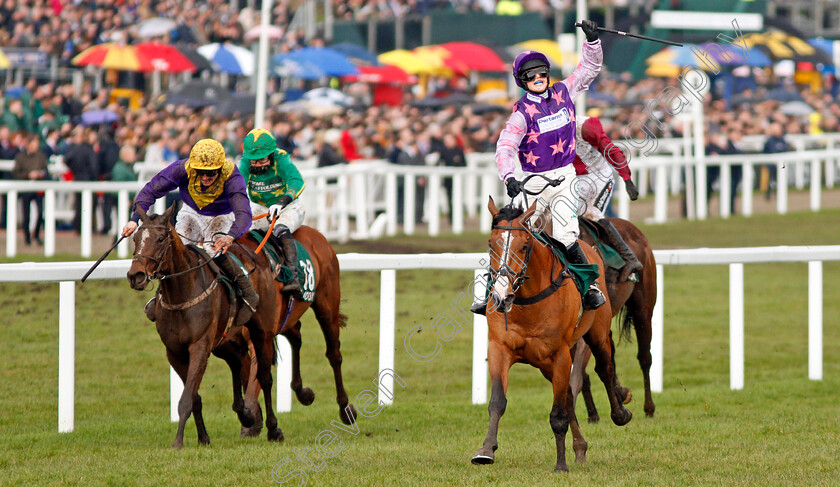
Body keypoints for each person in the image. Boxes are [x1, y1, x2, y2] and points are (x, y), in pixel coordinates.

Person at [472, 19, 605, 315]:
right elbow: (506, 146)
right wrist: (509, 177)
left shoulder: (564, 92)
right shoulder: (521, 113)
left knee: (567, 235)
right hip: (532, 181)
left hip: (565, 178)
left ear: (547, 73)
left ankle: (590, 288)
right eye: (530, 75)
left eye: (541, 72)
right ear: (522, 80)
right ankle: (486, 293)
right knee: (512, 235)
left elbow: (588, 70)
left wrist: (593, 42)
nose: (537, 78)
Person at [120, 138, 259, 315]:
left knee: (212, 251)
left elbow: (243, 213)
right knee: (177, 251)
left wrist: (231, 235)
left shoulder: (232, 175)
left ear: (220, 168)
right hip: (191, 211)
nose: (206, 177)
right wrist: (134, 219)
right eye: (201, 173)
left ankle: (246, 292)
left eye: (211, 173)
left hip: (221, 215)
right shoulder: (182, 168)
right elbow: (151, 189)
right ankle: (160, 295)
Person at [572, 115, 643, 282]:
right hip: (572, 177)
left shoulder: (585, 127)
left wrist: (627, 179)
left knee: (591, 214)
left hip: (598, 176)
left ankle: (629, 259)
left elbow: (611, 151)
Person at [240, 128, 305, 294]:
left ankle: (293, 278)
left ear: (271, 155)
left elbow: (297, 182)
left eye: (261, 160)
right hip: (260, 207)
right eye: (253, 161)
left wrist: (282, 202)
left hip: (288, 206)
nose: (256, 164)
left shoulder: (282, 159)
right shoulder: (245, 163)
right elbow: (238, 185)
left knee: (280, 230)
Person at [12, 134, 48, 245]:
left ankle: (36, 234)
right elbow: (15, 173)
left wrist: (40, 174)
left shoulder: (41, 156)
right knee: (26, 215)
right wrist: (28, 175)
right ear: (28, 144)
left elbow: (46, 171)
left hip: (38, 189)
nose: (36, 147)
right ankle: (27, 238)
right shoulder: (20, 157)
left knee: (40, 213)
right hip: (26, 189)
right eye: (34, 144)